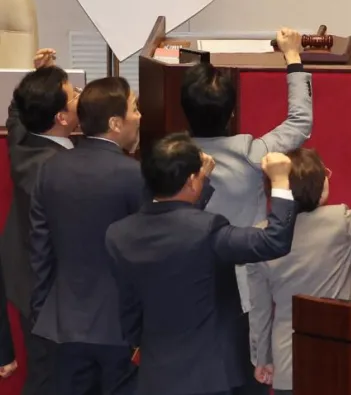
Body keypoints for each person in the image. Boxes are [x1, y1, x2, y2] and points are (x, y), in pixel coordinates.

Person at [105, 134, 298, 395]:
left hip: (155, 374)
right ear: (190, 181)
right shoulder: (208, 230)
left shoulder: (118, 235)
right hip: (210, 376)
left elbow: (130, 314)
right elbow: (274, 241)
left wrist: (201, 179)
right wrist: (280, 180)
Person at [181, 28, 311, 394]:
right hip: (243, 295)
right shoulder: (252, 154)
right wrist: (293, 58)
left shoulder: (170, 160)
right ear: (232, 112)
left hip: (185, 289)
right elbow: (301, 121)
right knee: (247, 378)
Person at [247, 115, 351, 393]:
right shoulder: (340, 222)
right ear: (321, 188)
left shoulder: (260, 237)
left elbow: (260, 311)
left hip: (291, 360)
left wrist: (262, 359)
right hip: (347, 350)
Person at [29, 77, 142, 394]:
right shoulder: (134, 175)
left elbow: (40, 253)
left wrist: (43, 317)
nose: (140, 116)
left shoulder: (50, 170)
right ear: (115, 123)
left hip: (61, 325)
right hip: (120, 329)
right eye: (134, 108)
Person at [2, 48, 76, 394]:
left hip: (22, 275)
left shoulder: (24, 142)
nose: (80, 95)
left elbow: (16, 111)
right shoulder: (56, 171)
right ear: (61, 117)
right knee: (48, 375)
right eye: (73, 92)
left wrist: (39, 76)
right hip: (43, 290)